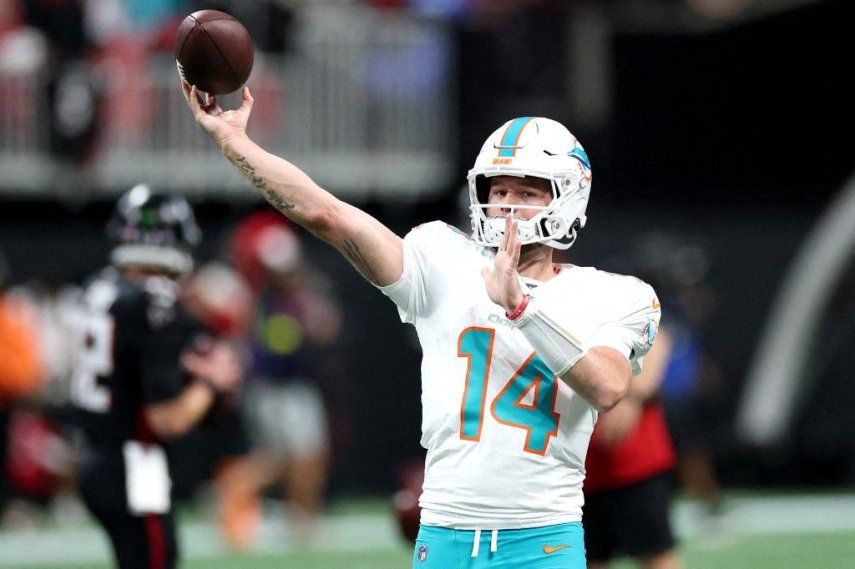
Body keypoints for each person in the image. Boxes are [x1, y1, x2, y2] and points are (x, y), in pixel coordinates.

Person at [183, 83, 660, 569]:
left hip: (542, 541)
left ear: (567, 198)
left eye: (527, 192)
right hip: (443, 538)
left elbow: (606, 387)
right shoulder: (443, 258)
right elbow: (328, 215)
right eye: (498, 191)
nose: (506, 206)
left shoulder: (617, 295)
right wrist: (233, 143)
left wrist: (522, 308)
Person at [70, 184, 242, 569]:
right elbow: (168, 419)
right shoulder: (155, 300)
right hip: (137, 462)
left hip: (95, 457)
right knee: (158, 559)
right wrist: (211, 383)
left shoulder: (99, 287)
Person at [583, 325, 681, 569]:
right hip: (574, 469)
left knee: (657, 556)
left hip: (634, 464)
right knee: (586, 560)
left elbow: (657, 335)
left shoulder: (617, 293)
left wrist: (631, 395)